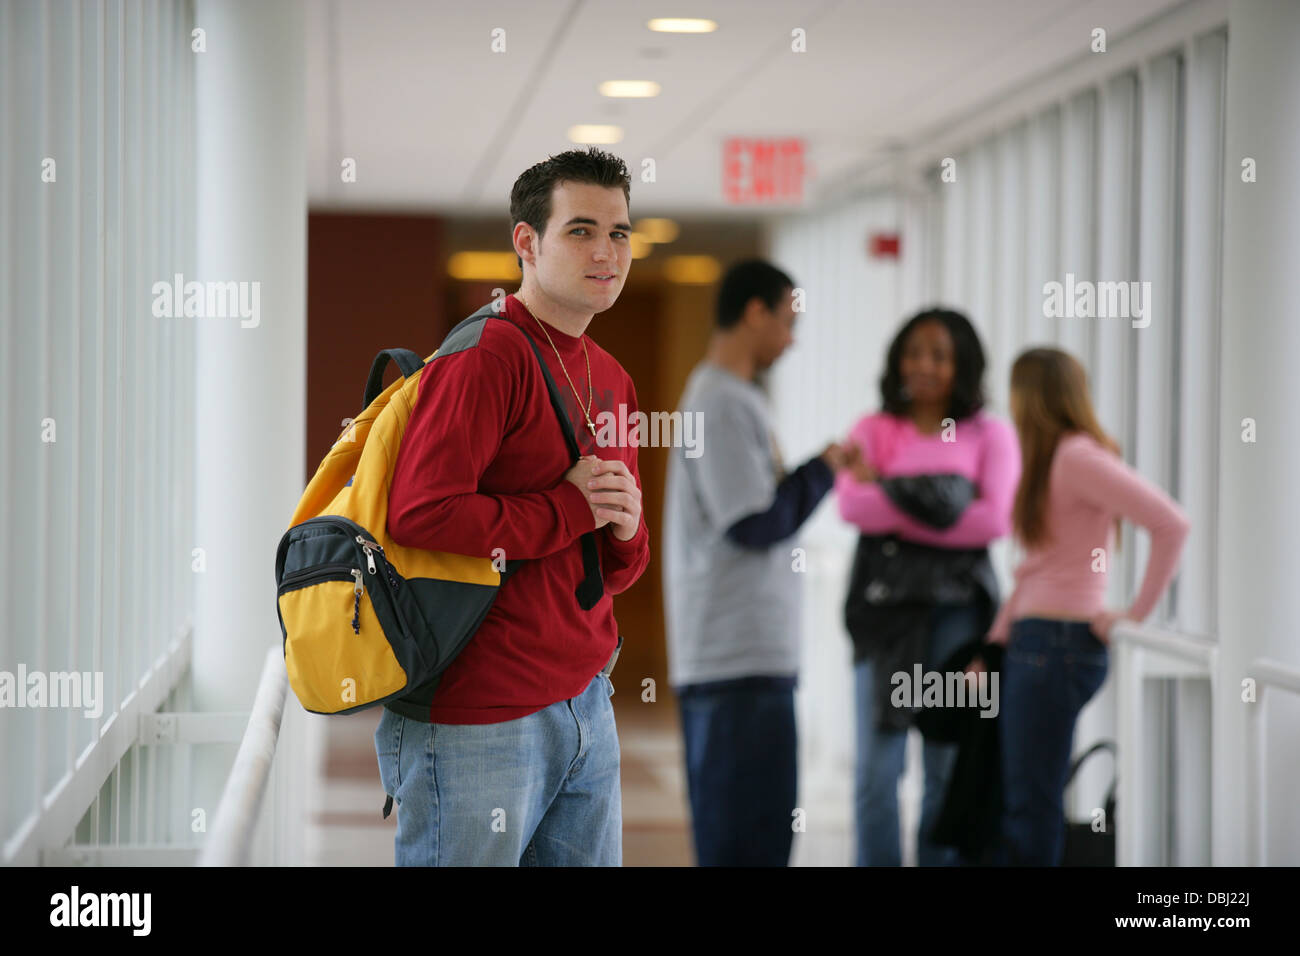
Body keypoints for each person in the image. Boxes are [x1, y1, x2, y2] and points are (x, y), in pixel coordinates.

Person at [374, 147, 650, 866]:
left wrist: (622, 528)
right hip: (480, 711)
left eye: (619, 233)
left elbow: (613, 566)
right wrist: (568, 508)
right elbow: (421, 514)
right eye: (581, 231)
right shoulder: (487, 357)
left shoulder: (612, 376)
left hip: (586, 699)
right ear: (526, 242)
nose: (607, 252)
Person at [663, 259, 856, 867]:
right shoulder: (719, 401)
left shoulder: (731, 397)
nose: (793, 339)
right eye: (788, 320)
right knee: (747, 843)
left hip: (743, 660)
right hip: (734, 664)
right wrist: (824, 467)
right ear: (755, 312)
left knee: (757, 836)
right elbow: (754, 522)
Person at [986, 347, 1190, 865]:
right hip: (1039, 642)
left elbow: (1171, 524)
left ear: (1031, 397)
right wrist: (994, 641)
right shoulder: (1053, 460)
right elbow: (1035, 567)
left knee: (1030, 804)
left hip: (1057, 646)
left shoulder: (1076, 457)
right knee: (1027, 799)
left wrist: (1135, 613)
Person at [836, 308, 1019, 866]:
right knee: (876, 772)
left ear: (962, 364)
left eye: (939, 354)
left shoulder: (991, 431)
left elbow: (994, 522)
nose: (924, 366)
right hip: (885, 617)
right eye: (914, 352)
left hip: (959, 618)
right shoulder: (872, 428)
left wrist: (890, 490)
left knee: (944, 767)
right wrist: (944, 505)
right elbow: (851, 505)